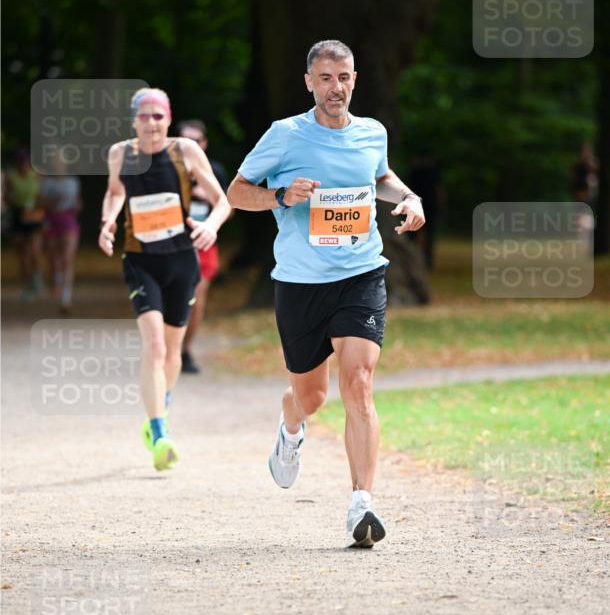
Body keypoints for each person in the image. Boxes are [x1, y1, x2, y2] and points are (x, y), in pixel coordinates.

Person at [227, 40, 425, 547]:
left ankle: (362, 503)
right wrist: (279, 195)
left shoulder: (372, 133)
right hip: (300, 282)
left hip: (361, 274)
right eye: (325, 78)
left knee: (358, 383)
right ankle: (290, 426)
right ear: (309, 82)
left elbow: (378, 178)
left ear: (354, 80)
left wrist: (409, 197)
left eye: (344, 78)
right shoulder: (285, 136)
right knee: (311, 396)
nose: (335, 88)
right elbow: (236, 192)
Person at [98, 88, 231, 471]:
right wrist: (108, 221)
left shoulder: (186, 152)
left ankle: (161, 405)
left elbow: (222, 201)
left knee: (173, 352)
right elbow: (113, 193)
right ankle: (159, 433)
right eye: (145, 116)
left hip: (181, 262)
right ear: (134, 120)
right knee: (155, 346)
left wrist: (211, 226)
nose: (152, 123)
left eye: (159, 116)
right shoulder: (120, 154)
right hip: (140, 260)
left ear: (168, 119)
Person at [177, 119, 230, 373]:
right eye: (185, 140)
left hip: (203, 242)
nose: (191, 145)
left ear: (204, 143)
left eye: (196, 141)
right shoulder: (167, 168)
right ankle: (168, 347)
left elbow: (229, 211)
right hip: (172, 243)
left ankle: (185, 351)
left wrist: (207, 198)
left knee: (196, 301)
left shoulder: (214, 172)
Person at [39, 151, 82, 313]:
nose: (58, 164)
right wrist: (52, 202)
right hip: (51, 221)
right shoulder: (47, 182)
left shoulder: (73, 181)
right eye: (55, 162)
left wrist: (77, 206)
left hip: (69, 221)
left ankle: (66, 297)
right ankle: (57, 282)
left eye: (60, 161)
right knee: (54, 258)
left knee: (67, 259)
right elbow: (40, 203)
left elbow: (78, 201)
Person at [6, 147, 44, 301]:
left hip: (33, 214)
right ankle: (27, 283)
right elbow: (6, 196)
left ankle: (37, 279)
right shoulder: (11, 176)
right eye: (21, 162)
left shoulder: (36, 175)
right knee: (22, 252)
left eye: (25, 162)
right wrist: (11, 199)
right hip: (18, 214)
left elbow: (41, 195)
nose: (23, 165)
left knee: (34, 249)